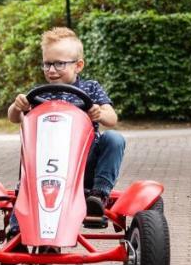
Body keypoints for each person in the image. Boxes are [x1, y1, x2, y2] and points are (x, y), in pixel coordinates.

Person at [7, 27, 126, 223]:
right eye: (47, 64)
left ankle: (98, 195)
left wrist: (99, 112)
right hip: (45, 162)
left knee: (114, 139)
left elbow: (112, 118)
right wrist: (17, 106)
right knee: (29, 146)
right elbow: (14, 118)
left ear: (78, 66)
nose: (51, 70)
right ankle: (18, 227)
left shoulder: (90, 88)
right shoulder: (38, 93)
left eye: (59, 64)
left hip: (85, 160)